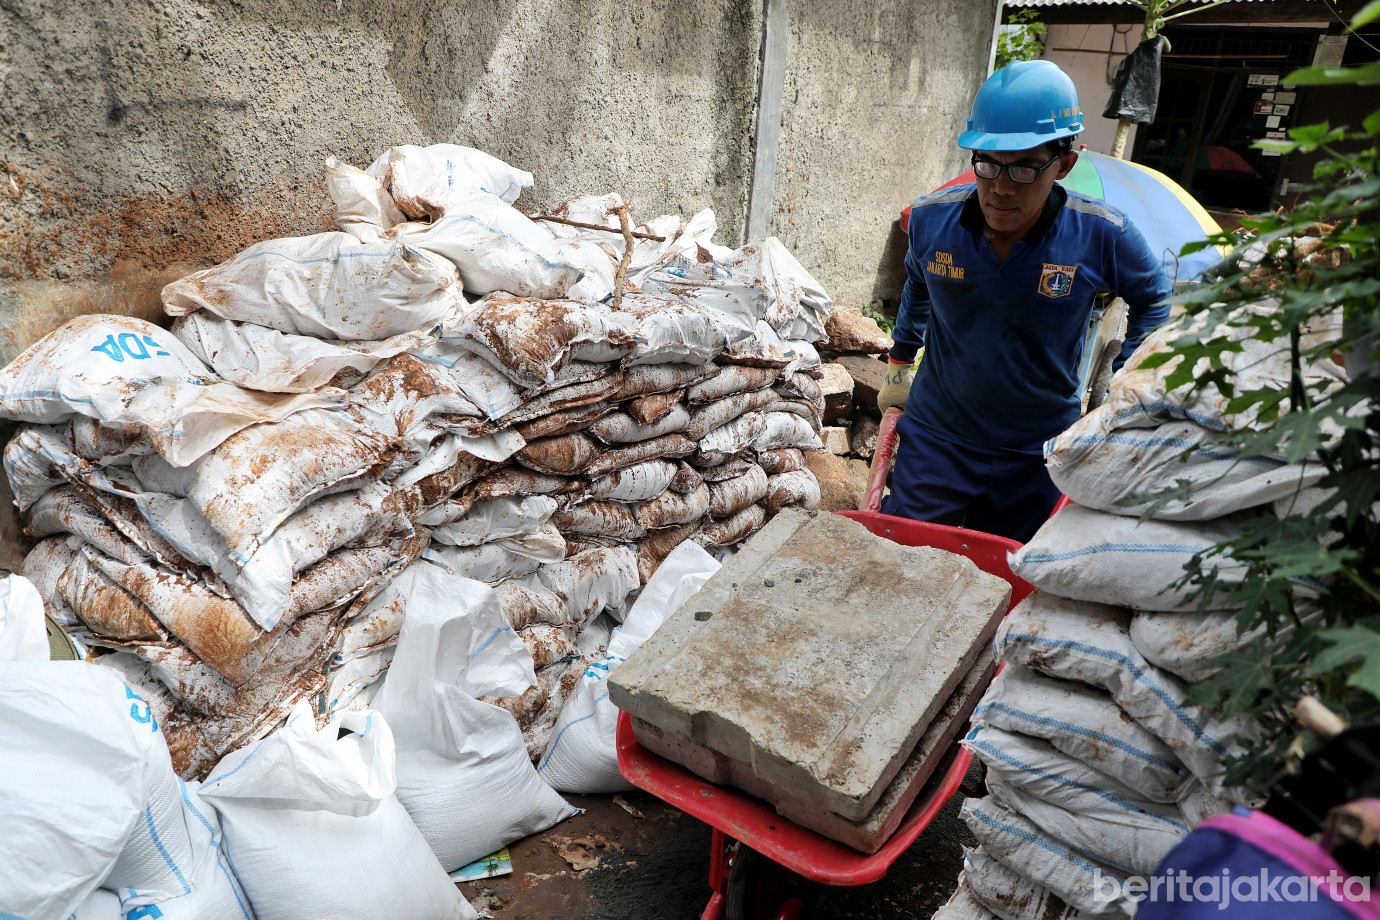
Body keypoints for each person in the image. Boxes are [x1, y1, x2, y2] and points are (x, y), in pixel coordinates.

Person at [878, 59, 1171, 543]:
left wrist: (1129, 382)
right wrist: (899, 360)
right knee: (903, 557)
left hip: (1037, 451)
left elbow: (1155, 300)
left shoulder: (1103, 235)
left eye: (1024, 169)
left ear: (1064, 164)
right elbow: (918, 284)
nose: (1000, 187)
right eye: (988, 164)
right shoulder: (933, 222)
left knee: (1009, 577)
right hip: (938, 439)